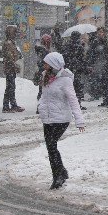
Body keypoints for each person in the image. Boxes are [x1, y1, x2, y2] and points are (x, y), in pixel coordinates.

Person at [37, 52, 85, 189]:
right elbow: (44, 95)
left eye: (46, 63)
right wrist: (40, 106)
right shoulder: (45, 76)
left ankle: (58, 176)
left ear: (53, 65)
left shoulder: (65, 80)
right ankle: (61, 172)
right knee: (50, 147)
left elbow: (73, 101)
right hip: (47, 118)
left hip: (61, 119)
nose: (44, 65)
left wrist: (79, 120)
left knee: (52, 146)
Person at [2, 25, 25, 113]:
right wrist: (14, 66)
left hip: (11, 68)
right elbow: (9, 58)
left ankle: (11, 105)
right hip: (9, 68)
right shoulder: (8, 43)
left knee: (11, 87)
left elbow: (15, 55)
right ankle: (7, 106)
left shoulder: (11, 43)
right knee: (10, 87)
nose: (15, 34)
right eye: (14, 32)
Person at [62, 31, 87, 110]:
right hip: (77, 70)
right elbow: (82, 59)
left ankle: (70, 104)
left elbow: (64, 57)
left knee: (70, 87)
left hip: (69, 70)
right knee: (77, 87)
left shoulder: (67, 45)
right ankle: (77, 104)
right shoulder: (79, 47)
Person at [87, 27, 108, 107]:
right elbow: (91, 54)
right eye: (99, 32)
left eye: (102, 32)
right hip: (98, 65)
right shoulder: (95, 42)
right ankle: (104, 98)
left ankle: (107, 99)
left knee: (106, 83)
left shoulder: (107, 41)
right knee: (101, 83)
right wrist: (91, 65)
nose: (101, 34)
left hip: (106, 65)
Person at [33, 34, 52, 104]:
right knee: (42, 89)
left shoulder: (43, 49)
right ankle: (40, 106)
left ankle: (41, 104)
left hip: (43, 70)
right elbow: (42, 61)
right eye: (49, 41)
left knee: (43, 88)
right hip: (43, 71)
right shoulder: (43, 50)